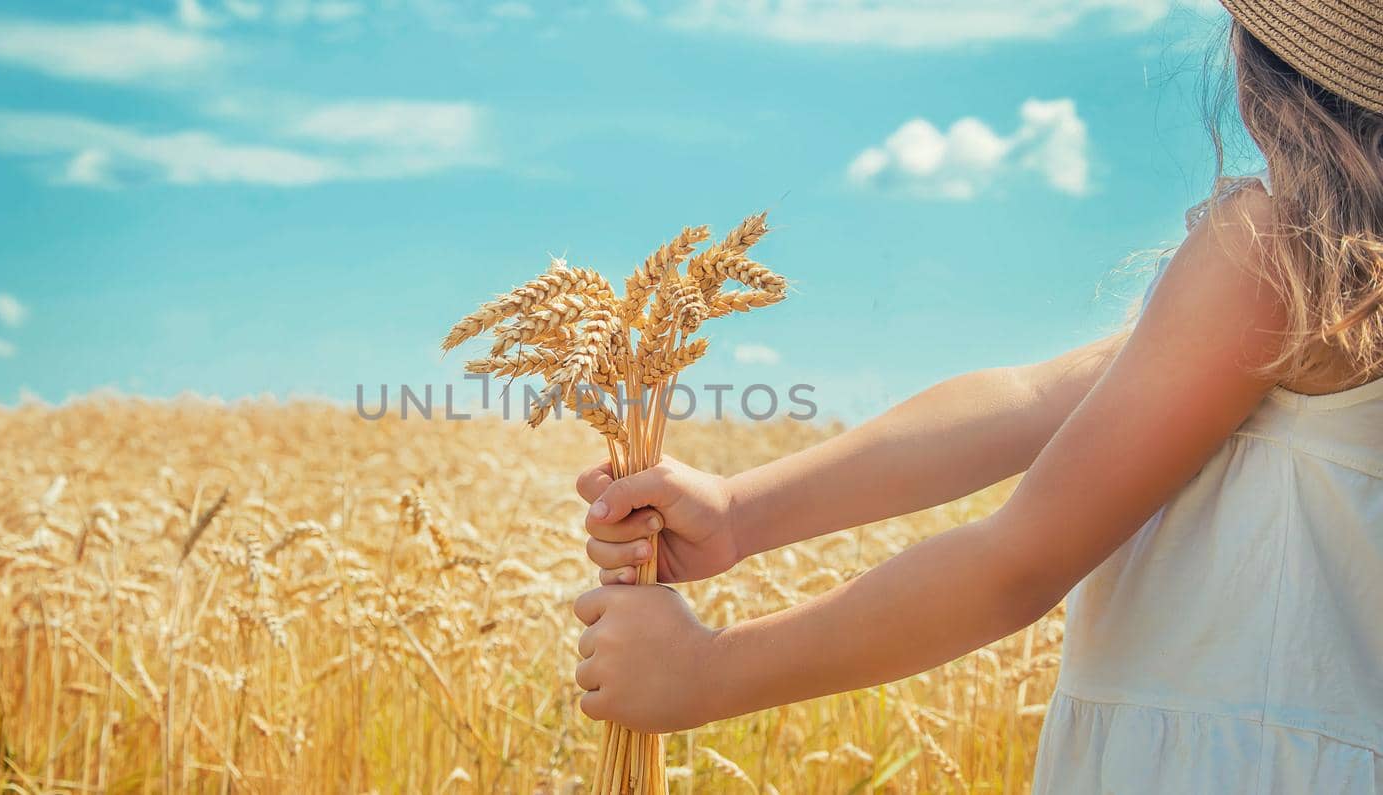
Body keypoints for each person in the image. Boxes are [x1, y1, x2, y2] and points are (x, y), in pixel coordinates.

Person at [570, 1, 1383, 790]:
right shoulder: (1344, 291)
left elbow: (1016, 562)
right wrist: (738, 511)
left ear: (1259, 66)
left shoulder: (1272, 255)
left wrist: (708, 671)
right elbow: (1029, 398)